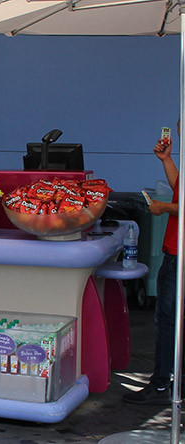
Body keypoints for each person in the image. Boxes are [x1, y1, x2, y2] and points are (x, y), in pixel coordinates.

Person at [123, 122, 179, 405]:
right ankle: (163, 382)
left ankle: (161, 384)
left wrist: (164, 208)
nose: (178, 128)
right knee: (168, 320)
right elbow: (178, 189)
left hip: (180, 255)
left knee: (169, 320)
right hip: (173, 250)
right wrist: (167, 160)